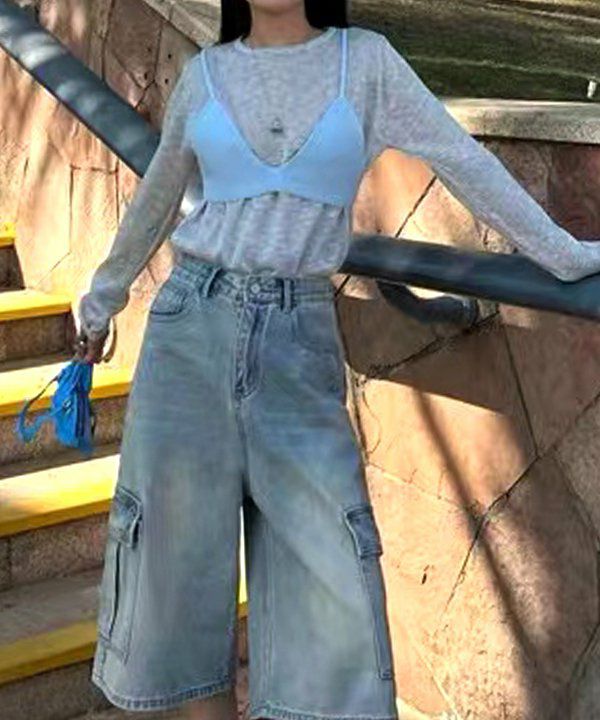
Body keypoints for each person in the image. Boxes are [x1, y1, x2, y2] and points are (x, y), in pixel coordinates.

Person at [76, 2, 600, 719]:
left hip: (298, 342)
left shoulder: (366, 63)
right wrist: (100, 299)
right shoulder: (207, 75)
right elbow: (158, 199)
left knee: (336, 594)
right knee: (178, 586)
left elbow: (464, 160)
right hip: (189, 334)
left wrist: (565, 256)